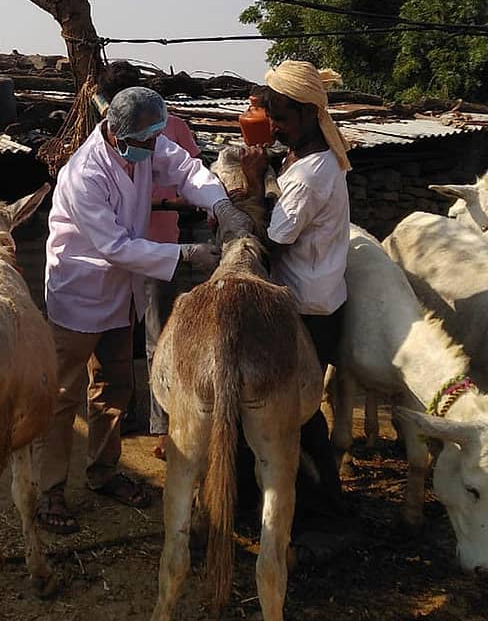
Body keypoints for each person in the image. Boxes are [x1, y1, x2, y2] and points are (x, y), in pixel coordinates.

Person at [33, 86, 251, 534]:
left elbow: (187, 168)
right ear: (115, 133)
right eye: (146, 141)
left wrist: (221, 204)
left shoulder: (145, 142)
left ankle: (105, 472)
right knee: (62, 395)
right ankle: (50, 491)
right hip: (80, 290)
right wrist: (186, 256)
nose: (153, 149)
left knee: (113, 387)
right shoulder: (83, 174)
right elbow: (114, 246)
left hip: (120, 291)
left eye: (155, 140)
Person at [240, 60, 352, 517]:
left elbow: (274, 239)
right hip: (315, 295)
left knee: (296, 411)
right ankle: (320, 498)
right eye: (272, 117)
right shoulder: (304, 156)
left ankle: (320, 503)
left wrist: (250, 185)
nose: (276, 126)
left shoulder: (311, 173)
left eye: (283, 118)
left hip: (307, 307)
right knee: (297, 408)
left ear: (309, 114)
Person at [145, 114, 203, 460]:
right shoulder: (106, 130)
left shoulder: (175, 125)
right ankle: (118, 416)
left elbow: (193, 173)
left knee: (157, 339)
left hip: (161, 246)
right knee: (116, 339)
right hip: (121, 248)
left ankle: (162, 424)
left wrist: (168, 202)